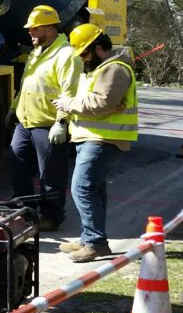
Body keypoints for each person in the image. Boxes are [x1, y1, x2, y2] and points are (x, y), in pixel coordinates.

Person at [53, 26, 136, 262]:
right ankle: (89, 237)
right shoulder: (100, 68)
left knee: (83, 188)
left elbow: (101, 103)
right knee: (94, 188)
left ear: (98, 48)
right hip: (93, 136)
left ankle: (95, 242)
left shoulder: (115, 69)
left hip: (103, 139)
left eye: (84, 53)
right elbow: (97, 101)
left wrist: (68, 104)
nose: (82, 59)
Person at [11, 5, 82, 231]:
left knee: (51, 174)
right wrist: (13, 109)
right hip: (25, 121)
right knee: (18, 164)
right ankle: (23, 212)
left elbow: (69, 91)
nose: (30, 32)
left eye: (35, 29)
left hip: (49, 124)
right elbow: (27, 85)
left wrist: (61, 123)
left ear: (50, 29)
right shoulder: (36, 51)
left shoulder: (66, 55)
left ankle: (51, 216)